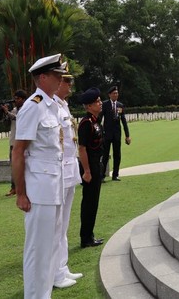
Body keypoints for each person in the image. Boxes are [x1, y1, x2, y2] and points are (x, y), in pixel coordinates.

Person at [11, 53, 69, 298]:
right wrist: (21, 193)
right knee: (37, 250)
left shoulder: (53, 105)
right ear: (42, 78)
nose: (60, 80)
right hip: (38, 189)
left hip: (54, 187)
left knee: (50, 248)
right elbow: (19, 151)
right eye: (57, 76)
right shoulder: (32, 107)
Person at [53, 71, 83, 287]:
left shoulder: (63, 105)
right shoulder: (52, 106)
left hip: (70, 170)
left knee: (64, 224)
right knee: (57, 225)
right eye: (66, 82)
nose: (70, 86)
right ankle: (55, 273)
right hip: (60, 172)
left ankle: (62, 268)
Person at [78, 87, 106, 248]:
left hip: (97, 164)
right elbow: (82, 149)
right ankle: (86, 238)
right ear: (89, 106)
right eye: (97, 101)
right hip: (90, 167)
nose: (100, 103)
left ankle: (90, 235)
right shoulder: (85, 123)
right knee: (89, 202)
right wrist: (87, 171)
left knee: (93, 202)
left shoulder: (96, 121)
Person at [99, 85, 131, 181]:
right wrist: (100, 131)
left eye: (117, 93)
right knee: (105, 155)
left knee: (117, 155)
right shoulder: (105, 104)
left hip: (117, 134)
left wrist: (127, 135)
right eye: (114, 93)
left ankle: (115, 174)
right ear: (109, 95)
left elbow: (123, 121)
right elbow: (100, 118)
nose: (116, 95)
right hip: (107, 134)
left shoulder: (120, 105)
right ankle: (102, 175)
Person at [2, 89, 28, 197]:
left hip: (24, 142)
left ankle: (25, 188)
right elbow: (6, 124)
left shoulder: (26, 110)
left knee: (26, 166)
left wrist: (7, 112)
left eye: (17, 99)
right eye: (15, 98)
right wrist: (4, 114)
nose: (15, 101)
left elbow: (19, 119)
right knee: (14, 166)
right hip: (13, 141)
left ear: (23, 99)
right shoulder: (13, 110)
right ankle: (14, 188)